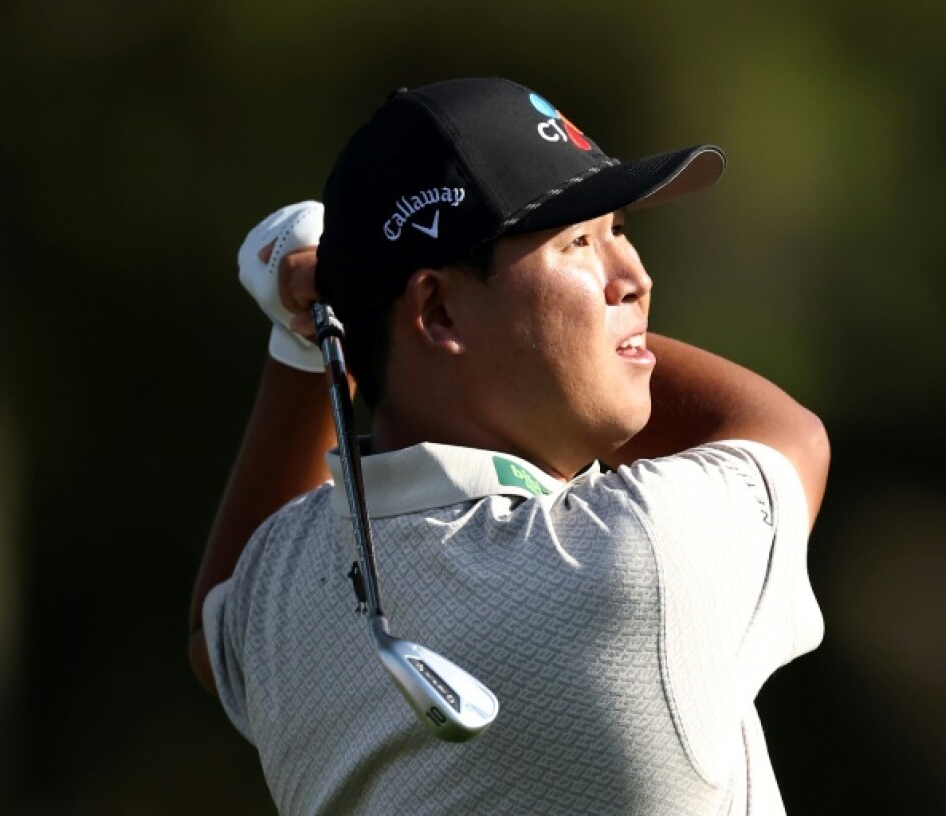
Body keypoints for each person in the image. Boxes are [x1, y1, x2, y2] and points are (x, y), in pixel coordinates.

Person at [188, 77, 829, 815]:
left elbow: (220, 625)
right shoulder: (633, 555)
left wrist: (319, 338)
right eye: (579, 242)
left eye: (619, 228)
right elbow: (787, 435)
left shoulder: (283, 594)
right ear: (436, 308)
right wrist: (332, 314)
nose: (636, 279)